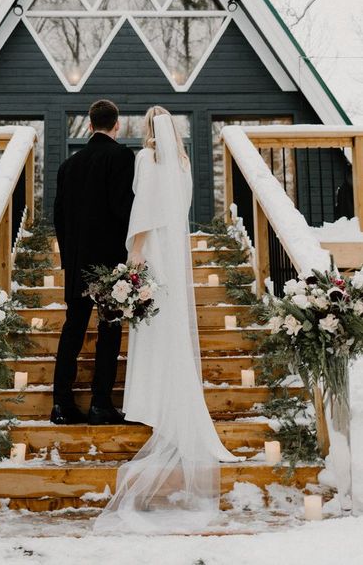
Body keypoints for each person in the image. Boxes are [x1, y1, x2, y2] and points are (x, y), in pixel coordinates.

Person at [95, 106, 240, 535]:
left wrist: (133, 255)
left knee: (150, 325)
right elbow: (178, 210)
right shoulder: (181, 164)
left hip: (153, 247)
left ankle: (150, 399)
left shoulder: (145, 160)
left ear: (147, 130)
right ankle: (168, 398)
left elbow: (143, 210)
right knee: (168, 322)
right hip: (175, 252)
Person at [52, 99, 135, 426]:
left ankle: (61, 404)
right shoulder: (121, 157)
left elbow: (59, 216)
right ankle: (101, 402)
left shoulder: (68, 166)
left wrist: (68, 256)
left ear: (89, 125)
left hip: (76, 260)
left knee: (73, 329)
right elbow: (122, 207)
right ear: (117, 125)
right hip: (109, 261)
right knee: (109, 328)